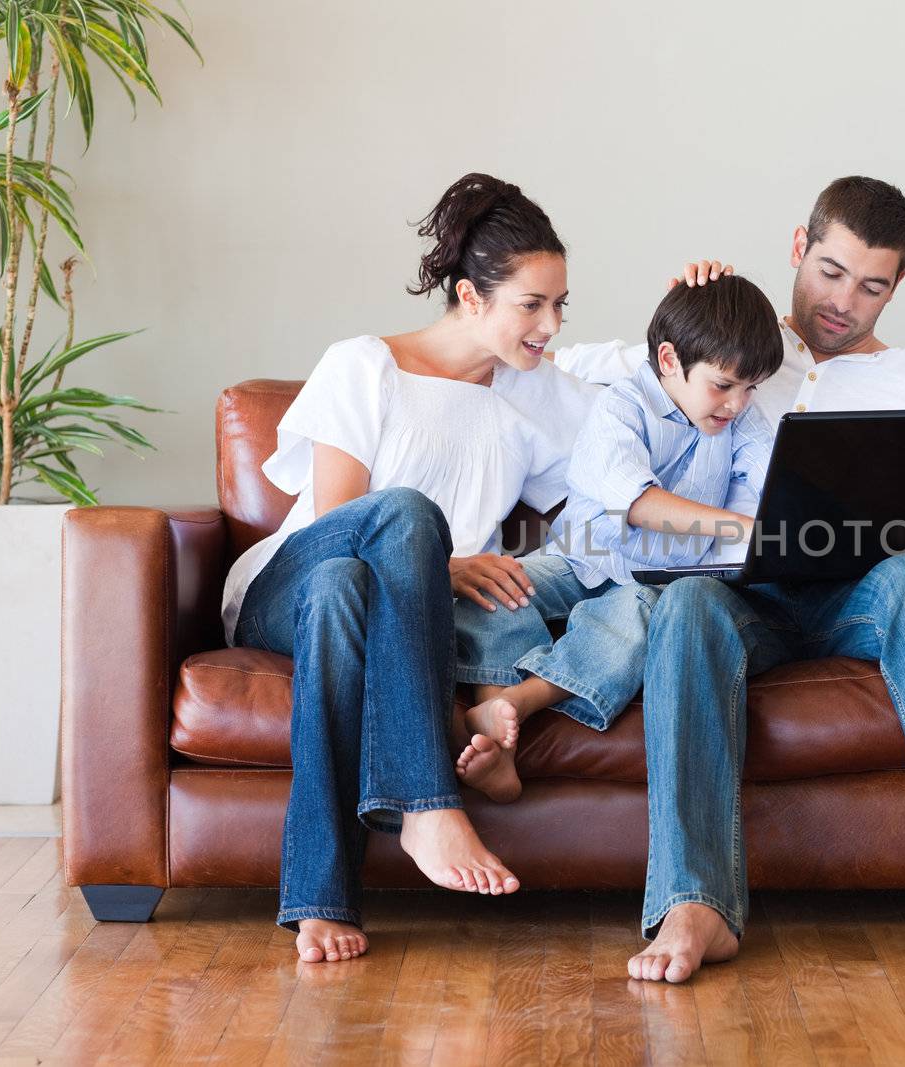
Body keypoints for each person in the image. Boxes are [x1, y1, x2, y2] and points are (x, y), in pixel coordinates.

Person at [554, 176, 905, 981]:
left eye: (871, 286)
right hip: (740, 599)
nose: (842, 302)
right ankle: (695, 904)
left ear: (897, 287)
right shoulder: (739, 351)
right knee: (683, 604)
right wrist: (685, 304)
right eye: (829, 271)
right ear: (799, 246)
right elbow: (557, 366)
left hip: (866, 600)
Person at [221, 173, 599, 964]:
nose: (551, 324)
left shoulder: (541, 393)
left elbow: (636, 422)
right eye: (532, 304)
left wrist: (717, 306)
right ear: (470, 295)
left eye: (562, 304)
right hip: (285, 580)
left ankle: (319, 896)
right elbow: (337, 521)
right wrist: (444, 559)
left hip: (355, 599)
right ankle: (427, 800)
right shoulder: (367, 364)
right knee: (400, 518)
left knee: (344, 595)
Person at [449, 274, 783, 804]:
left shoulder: (739, 419)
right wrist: (743, 528)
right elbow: (640, 503)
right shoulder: (622, 406)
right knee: (491, 585)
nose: (737, 404)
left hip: (651, 586)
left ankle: (519, 701)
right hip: (579, 560)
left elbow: (775, 484)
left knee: (635, 619)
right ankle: (495, 721)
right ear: (670, 360)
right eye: (723, 385)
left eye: (751, 388)